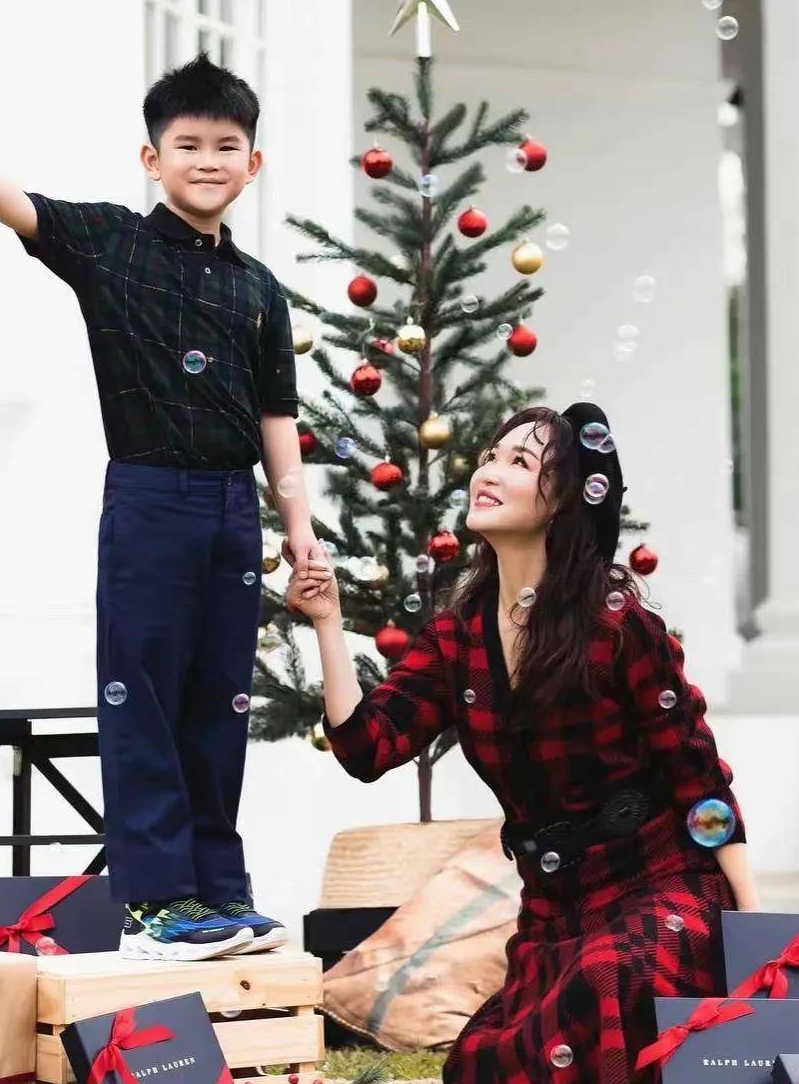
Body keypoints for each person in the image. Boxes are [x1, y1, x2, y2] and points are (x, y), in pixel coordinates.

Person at [0, 53, 321, 962]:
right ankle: (157, 901)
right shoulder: (114, 247)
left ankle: (218, 890)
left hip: (232, 509)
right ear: (150, 156)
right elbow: (23, 207)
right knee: (147, 698)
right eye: (187, 144)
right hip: (148, 499)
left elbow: (277, 419)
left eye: (226, 145)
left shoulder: (259, 292)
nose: (207, 160)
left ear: (255, 163)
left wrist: (299, 532)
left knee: (222, 699)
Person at [287, 402, 759, 1083]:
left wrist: (751, 923)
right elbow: (367, 749)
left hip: (659, 882)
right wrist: (328, 622)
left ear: (564, 502)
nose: (489, 471)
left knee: (608, 982)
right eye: (489, 456)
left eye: (519, 462)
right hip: (555, 904)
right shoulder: (458, 639)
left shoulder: (616, 624)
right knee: (483, 1062)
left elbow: (697, 780)